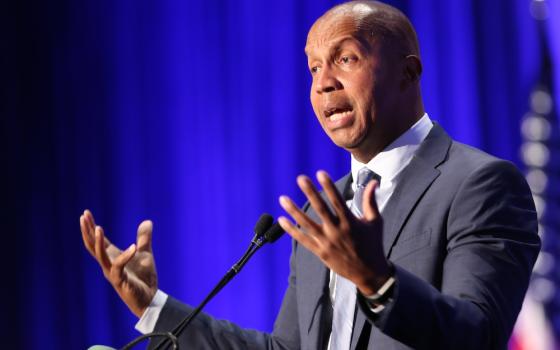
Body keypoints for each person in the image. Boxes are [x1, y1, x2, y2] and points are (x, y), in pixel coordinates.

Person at [80, 1, 540, 349]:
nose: (323, 83)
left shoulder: (479, 184)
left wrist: (377, 280)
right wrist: (153, 305)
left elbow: (477, 335)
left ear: (408, 73)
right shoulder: (323, 215)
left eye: (346, 59)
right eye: (314, 67)